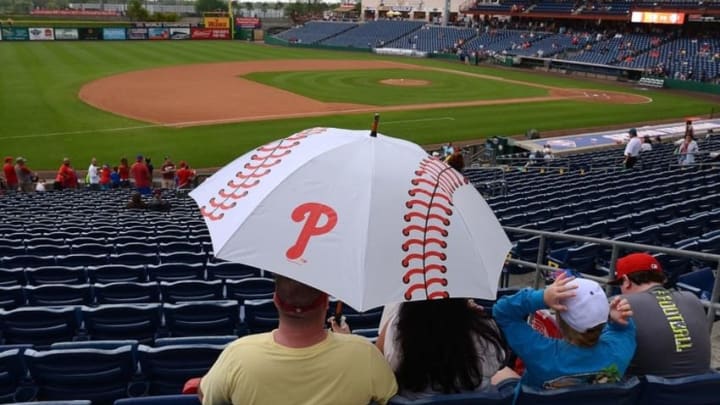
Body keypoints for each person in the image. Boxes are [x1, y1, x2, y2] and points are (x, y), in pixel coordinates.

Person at [199, 275, 398, 405]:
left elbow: (207, 397)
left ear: (276, 300)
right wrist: (349, 344)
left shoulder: (238, 354)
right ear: (325, 302)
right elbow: (389, 396)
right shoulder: (363, 353)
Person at [493, 273, 635, 389]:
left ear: (560, 319)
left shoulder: (541, 353)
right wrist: (619, 323)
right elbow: (624, 331)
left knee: (498, 373)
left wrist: (541, 297)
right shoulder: (619, 351)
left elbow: (502, 312)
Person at [375, 299, 509, 399]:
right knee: (506, 373)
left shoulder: (396, 329)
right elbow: (499, 362)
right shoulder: (483, 328)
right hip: (478, 398)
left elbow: (377, 365)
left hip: (413, 397)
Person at [609, 253, 711, 377]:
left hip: (649, 392)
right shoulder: (691, 298)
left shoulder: (622, 304)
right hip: (704, 389)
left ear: (626, 281)